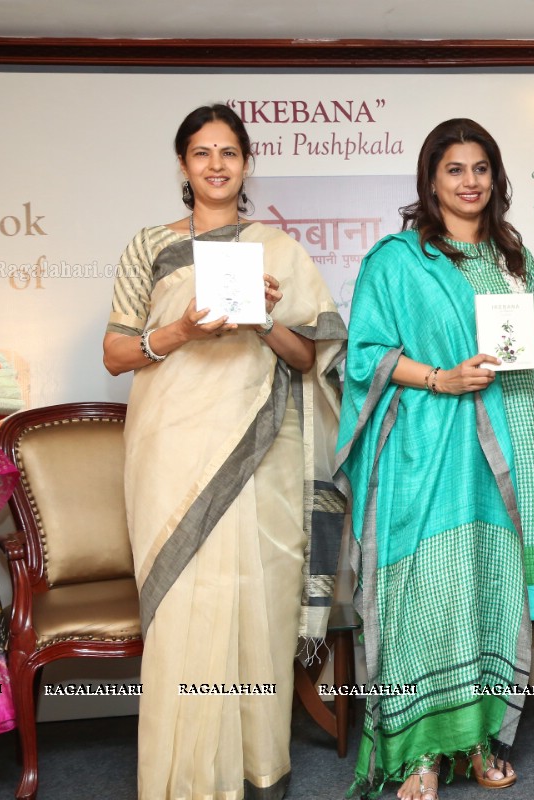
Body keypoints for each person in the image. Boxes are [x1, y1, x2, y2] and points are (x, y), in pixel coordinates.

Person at [101, 104, 346, 798]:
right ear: (182, 164)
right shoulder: (148, 247)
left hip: (262, 449)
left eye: (229, 153)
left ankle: (253, 764)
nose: (216, 165)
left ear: (245, 164)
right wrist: (181, 328)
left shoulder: (277, 252)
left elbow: (309, 360)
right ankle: (180, 777)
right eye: (202, 153)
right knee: (186, 604)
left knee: (254, 598)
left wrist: (262, 318)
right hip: (172, 445)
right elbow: (117, 352)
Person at [336, 118, 534, 800]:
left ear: (496, 178)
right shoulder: (396, 261)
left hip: (508, 439)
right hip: (425, 451)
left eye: (481, 168)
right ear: (431, 180)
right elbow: (364, 355)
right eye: (455, 169)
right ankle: (421, 754)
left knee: (491, 586)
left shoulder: (516, 263)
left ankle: (481, 738)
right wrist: (440, 378)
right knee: (426, 593)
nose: (469, 182)